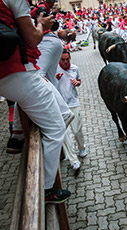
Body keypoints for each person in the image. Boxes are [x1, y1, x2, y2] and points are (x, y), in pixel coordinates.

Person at [0, 0, 70, 203]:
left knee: (65, 114)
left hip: (12, 75)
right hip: (19, 72)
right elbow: (32, 39)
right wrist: (41, 24)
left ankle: (18, 135)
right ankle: (45, 190)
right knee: (56, 131)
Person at [56, 50, 86, 176]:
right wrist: (56, 79)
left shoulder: (75, 68)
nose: (65, 62)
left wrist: (77, 83)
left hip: (74, 103)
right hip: (60, 106)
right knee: (65, 133)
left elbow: (79, 81)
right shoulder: (54, 70)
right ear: (58, 60)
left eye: (67, 59)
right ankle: (73, 160)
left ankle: (82, 147)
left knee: (77, 130)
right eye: (62, 59)